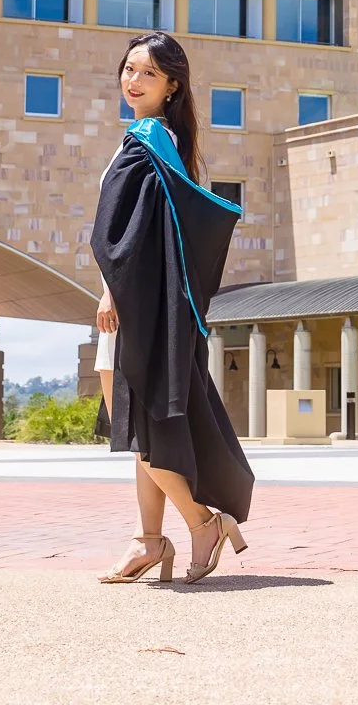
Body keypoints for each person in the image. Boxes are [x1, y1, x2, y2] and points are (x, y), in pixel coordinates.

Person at [92, 31, 253, 584]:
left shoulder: (149, 139)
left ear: (171, 87)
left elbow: (139, 235)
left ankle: (199, 522)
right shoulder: (152, 140)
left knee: (138, 427)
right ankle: (149, 540)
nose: (132, 81)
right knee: (140, 427)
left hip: (130, 306)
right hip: (130, 301)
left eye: (148, 74)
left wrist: (112, 289)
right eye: (129, 69)